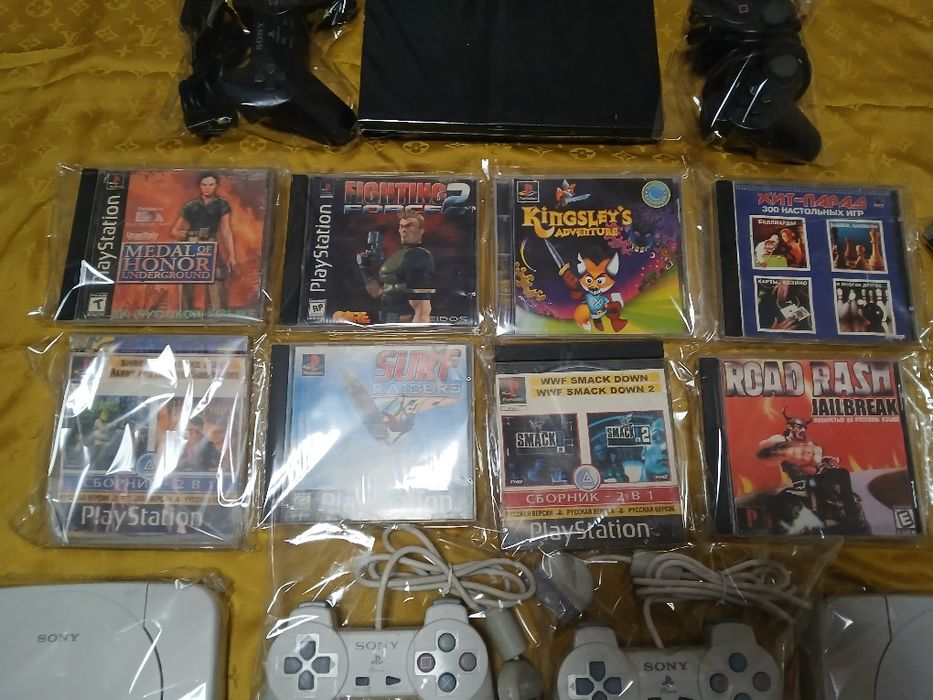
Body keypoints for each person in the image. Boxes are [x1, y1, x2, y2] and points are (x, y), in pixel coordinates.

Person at [170, 172, 237, 313]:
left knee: (216, 275)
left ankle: (220, 313)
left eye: (211, 184)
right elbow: (174, 230)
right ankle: (185, 314)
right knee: (186, 275)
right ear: (200, 186)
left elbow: (226, 229)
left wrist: (232, 254)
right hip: (191, 242)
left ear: (216, 186)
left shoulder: (221, 204)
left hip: (210, 241)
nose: (207, 188)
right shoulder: (191, 205)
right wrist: (178, 233)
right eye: (204, 185)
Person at [358, 211, 435, 323]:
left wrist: (416, 331)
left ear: (421, 230)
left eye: (410, 226)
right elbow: (377, 293)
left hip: (404, 323)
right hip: (388, 322)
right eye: (401, 226)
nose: (404, 230)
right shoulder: (399, 256)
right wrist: (364, 268)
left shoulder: (418, 255)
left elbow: (422, 308)